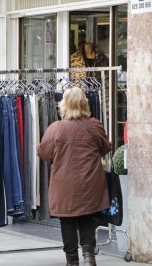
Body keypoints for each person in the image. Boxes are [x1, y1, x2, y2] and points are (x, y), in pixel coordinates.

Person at [37, 87, 111, 266]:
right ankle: (89, 257)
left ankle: (72, 261)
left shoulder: (56, 128)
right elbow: (106, 147)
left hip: (64, 182)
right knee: (87, 217)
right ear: (84, 103)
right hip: (90, 181)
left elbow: (44, 153)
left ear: (64, 105)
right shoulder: (95, 125)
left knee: (67, 220)